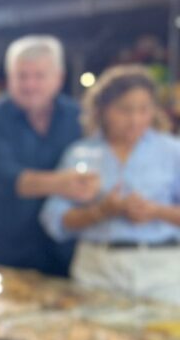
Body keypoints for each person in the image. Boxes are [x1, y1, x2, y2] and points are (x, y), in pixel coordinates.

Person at [40, 65, 180, 303]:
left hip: (162, 267)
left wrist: (156, 211)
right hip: (98, 266)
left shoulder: (172, 151)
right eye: (124, 110)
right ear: (102, 110)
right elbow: (54, 220)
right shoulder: (80, 154)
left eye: (143, 109)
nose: (135, 119)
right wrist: (101, 211)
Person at [0, 35, 99, 276]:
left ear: (59, 78)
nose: (30, 85)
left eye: (39, 76)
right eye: (22, 76)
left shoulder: (78, 117)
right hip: (5, 246)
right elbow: (11, 180)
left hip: (61, 248)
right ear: (9, 78)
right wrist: (65, 183)